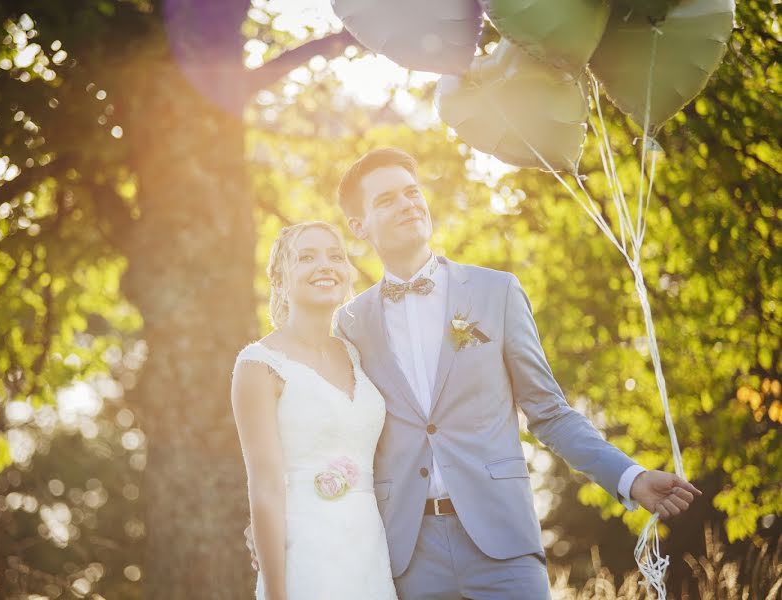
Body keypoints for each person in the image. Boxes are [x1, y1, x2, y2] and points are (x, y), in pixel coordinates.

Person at [245, 148, 701, 599]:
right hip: (404, 554)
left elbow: (549, 413)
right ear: (359, 227)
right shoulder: (350, 324)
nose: (407, 204)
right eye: (386, 200)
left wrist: (630, 477)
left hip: (502, 541)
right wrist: (288, 514)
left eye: (411, 192)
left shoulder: (495, 292)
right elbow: (329, 427)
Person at [231, 221, 398, 600]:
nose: (325, 265)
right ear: (279, 280)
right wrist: (276, 593)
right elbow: (266, 487)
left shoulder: (356, 353)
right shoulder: (259, 366)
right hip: (306, 557)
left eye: (335, 256)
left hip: (371, 553)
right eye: (307, 257)